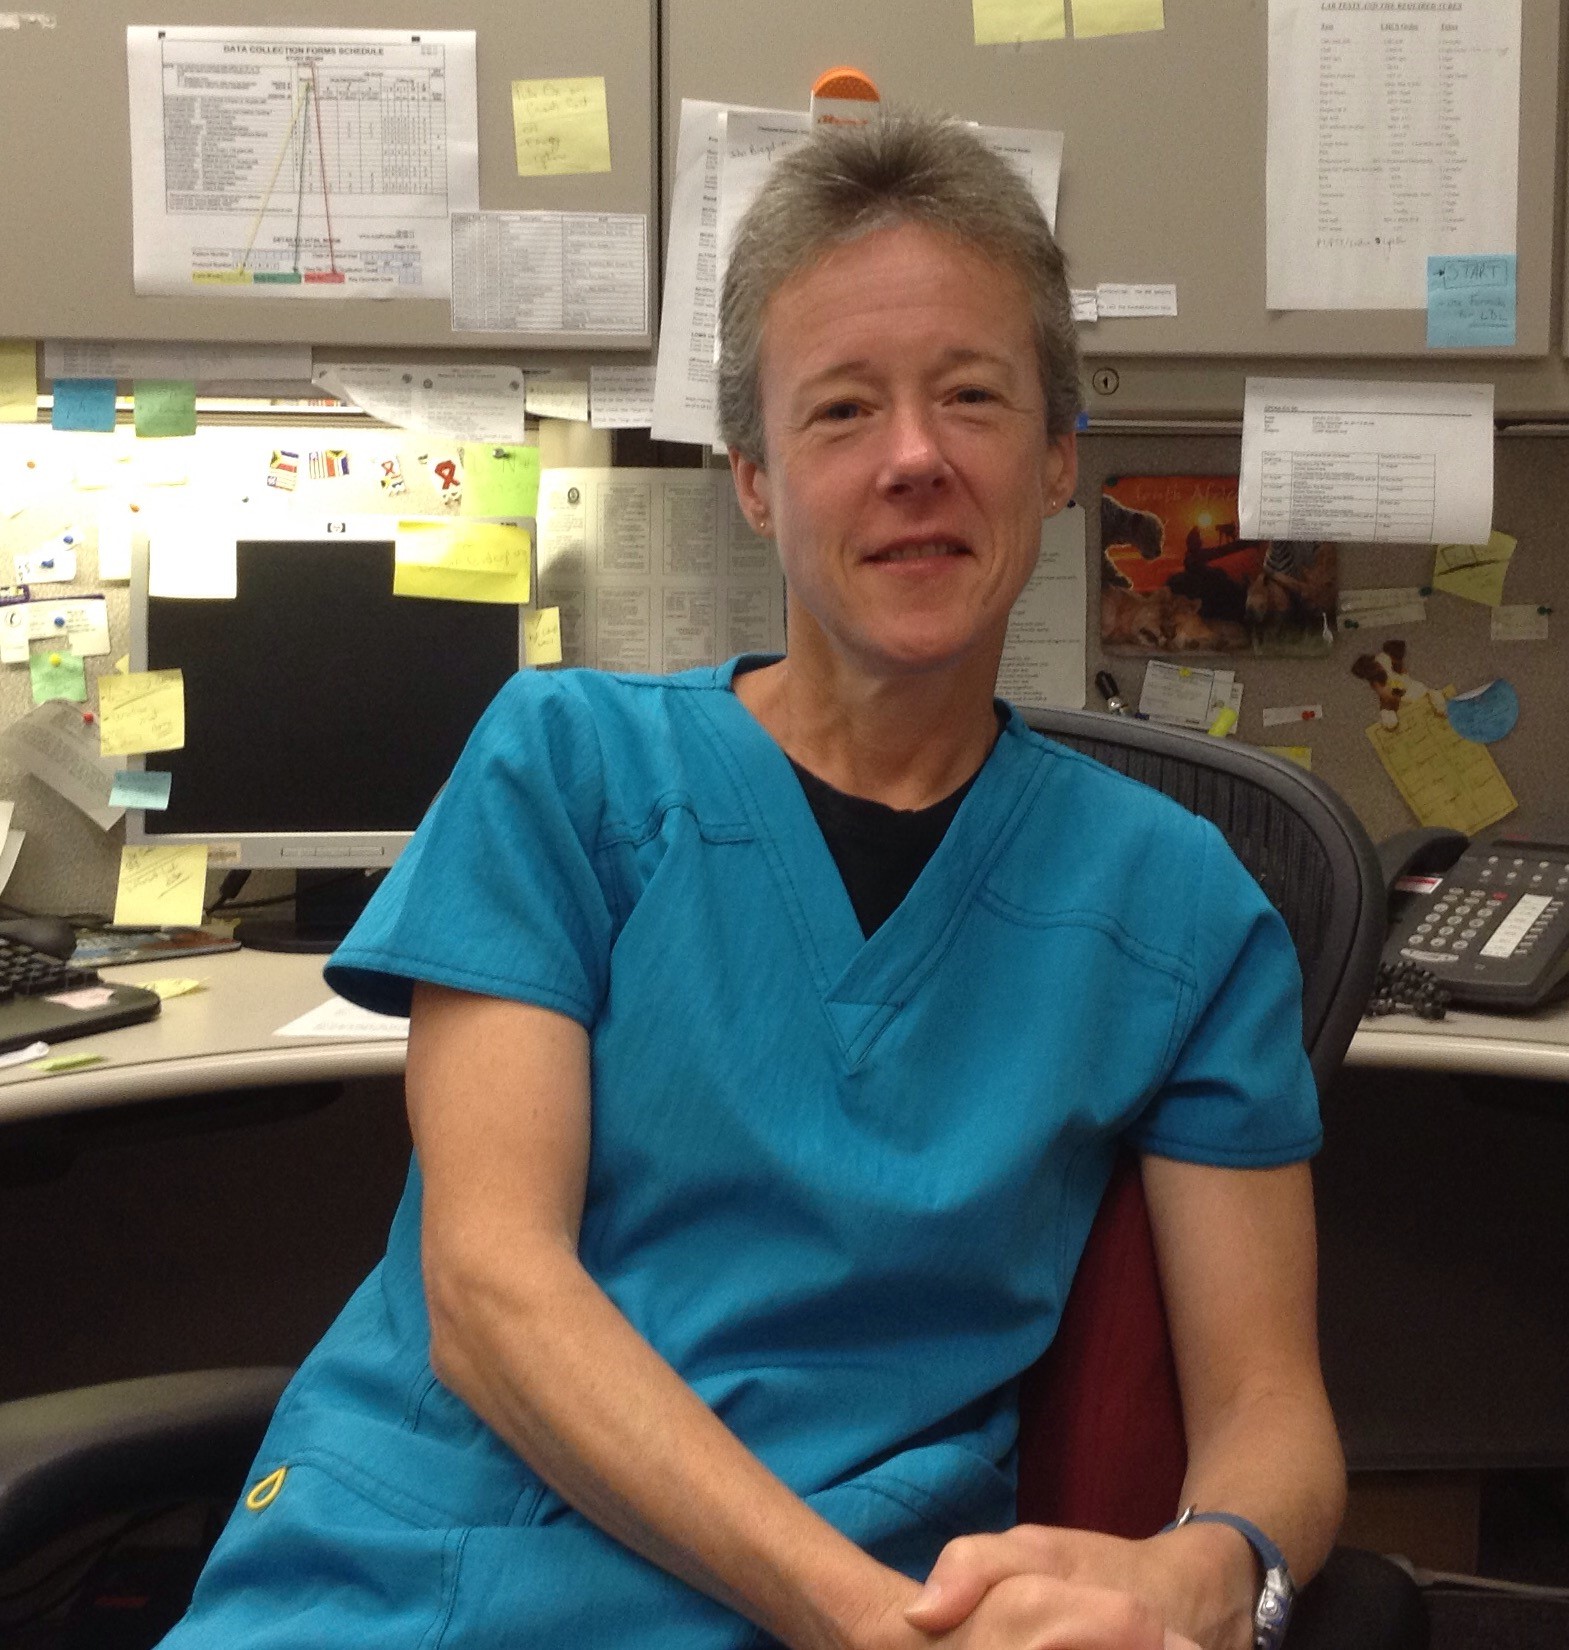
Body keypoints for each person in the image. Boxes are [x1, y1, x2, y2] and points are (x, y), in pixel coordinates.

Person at [159, 112, 1345, 1650]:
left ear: (1056, 458)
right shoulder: (566, 767)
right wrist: (857, 1618)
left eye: (971, 398)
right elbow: (489, 1287)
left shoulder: (1179, 902)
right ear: (757, 480)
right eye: (842, 410)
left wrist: (1198, 1572)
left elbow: (1269, 1405)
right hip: (413, 1574)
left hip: (881, 1591)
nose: (912, 458)